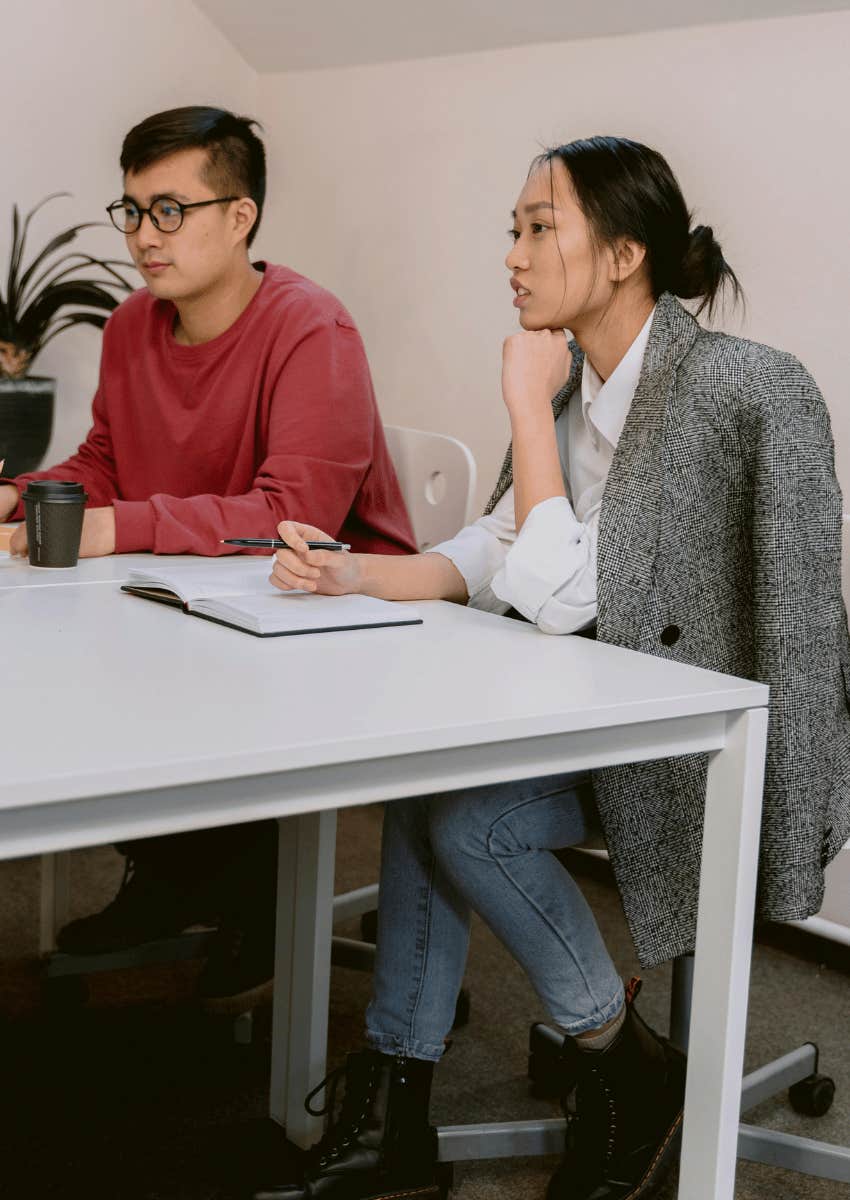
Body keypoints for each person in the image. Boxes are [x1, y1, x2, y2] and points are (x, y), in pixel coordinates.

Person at [253, 136, 850, 1200]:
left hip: (700, 753)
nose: (514, 256)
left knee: (468, 821)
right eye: (513, 231)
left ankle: (621, 1059)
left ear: (622, 255)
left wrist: (527, 407)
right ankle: (398, 1106)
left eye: (539, 228)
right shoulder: (576, 383)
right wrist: (364, 578)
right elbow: (500, 544)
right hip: (590, 719)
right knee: (420, 777)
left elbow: (579, 594)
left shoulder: (728, 389)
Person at [0, 106, 415, 1011]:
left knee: (130, 665)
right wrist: (27, 492)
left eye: (172, 211)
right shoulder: (131, 327)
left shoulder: (313, 330)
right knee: (74, 654)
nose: (146, 237)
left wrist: (120, 527)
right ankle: (176, 874)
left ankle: (256, 900)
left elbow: (294, 515)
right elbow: (106, 461)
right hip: (194, 592)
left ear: (241, 216)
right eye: (135, 211)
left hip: (328, 608)